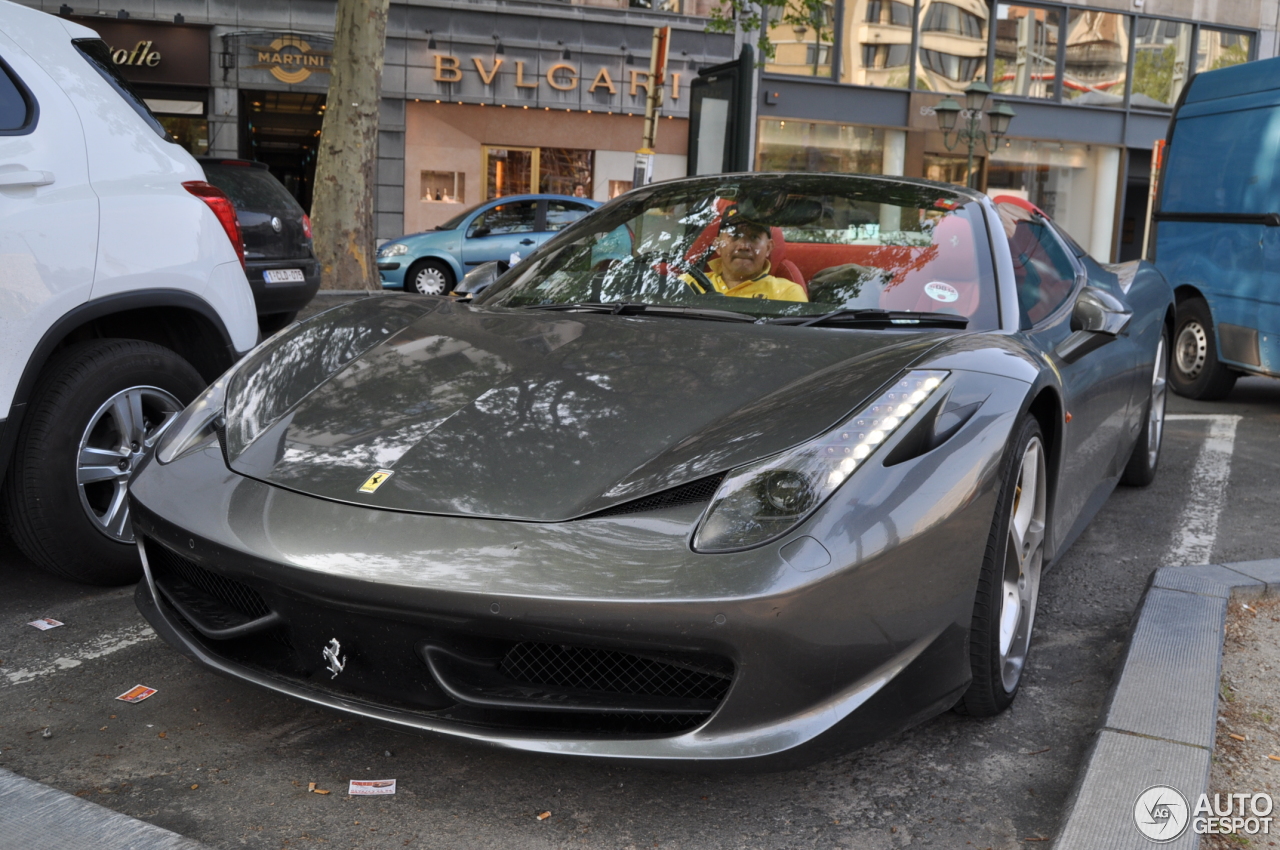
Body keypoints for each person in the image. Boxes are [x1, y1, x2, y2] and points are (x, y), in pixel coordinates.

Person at [682, 218, 807, 302]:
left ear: (769, 248)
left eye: (754, 237)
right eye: (735, 236)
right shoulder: (688, 283)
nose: (743, 246)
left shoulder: (787, 293)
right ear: (718, 245)